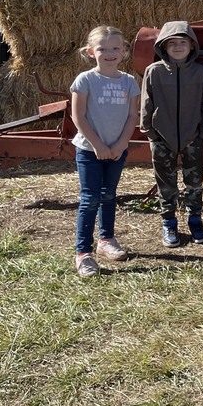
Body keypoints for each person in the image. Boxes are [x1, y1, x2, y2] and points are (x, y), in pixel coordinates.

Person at [69, 25, 140, 277]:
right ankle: (83, 253)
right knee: (90, 199)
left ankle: (106, 240)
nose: (109, 53)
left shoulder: (129, 82)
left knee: (109, 194)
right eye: (102, 49)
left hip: (117, 149)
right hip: (90, 150)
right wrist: (98, 145)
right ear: (90, 52)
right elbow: (78, 116)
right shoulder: (86, 80)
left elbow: (133, 115)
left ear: (124, 51)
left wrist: (121, 143)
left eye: (115, 48)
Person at [140, 21, 203, 247]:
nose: (178, 47)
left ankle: (195, 220)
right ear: (163, 46)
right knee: (166, 183)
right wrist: (150, 132)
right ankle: (169, 222)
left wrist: (202, 132)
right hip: (162, 137)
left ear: (192, 46)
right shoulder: (154, 71)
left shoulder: (199, 72)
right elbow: (146, 103)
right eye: (172, 43)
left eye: (183, 43)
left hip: (193, 137)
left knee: (195, 181)